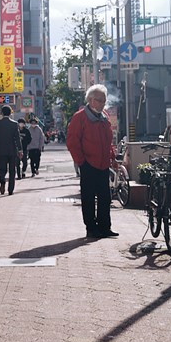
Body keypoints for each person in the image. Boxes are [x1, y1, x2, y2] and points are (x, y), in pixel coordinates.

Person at [66, 84, 117, 239]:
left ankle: (105, 227)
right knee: (88, 197)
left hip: (103, 164)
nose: (103, 103)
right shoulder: (79, 117)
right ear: (91, 100)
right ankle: (91, 228)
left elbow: (109, 141)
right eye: (100, 100)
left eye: (104, 100)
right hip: (88, 163)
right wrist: (81, 162)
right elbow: (72, 142)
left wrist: (112, 158)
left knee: (105, 197)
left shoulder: (105, 116)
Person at [0, 105, 21, 195]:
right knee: (12, 170)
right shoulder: (14, 124)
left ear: (2, 113)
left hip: (1, 151)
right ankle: (10, 189)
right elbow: (17, 138)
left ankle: (2, 182)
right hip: (12, 151)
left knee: (2, 169)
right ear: (10, 113)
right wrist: (20, 150)